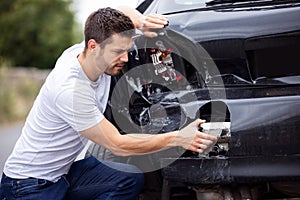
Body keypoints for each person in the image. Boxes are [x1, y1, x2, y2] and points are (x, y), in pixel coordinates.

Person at [0, 7, 217, 200]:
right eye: (117, 52)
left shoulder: (90, 49)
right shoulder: (70, 89)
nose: (124, 58)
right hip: (27, 186)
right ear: (93, 46)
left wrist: (141, 22)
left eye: (126, 49)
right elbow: (117, 144)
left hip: (62, 174)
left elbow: (121, 13)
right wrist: (179, 138)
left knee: (128, 179)